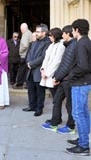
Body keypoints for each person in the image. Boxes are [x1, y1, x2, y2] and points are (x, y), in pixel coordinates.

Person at [41, 25, 76, 134]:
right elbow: (47, 59)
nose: (62, 35)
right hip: (60, 78)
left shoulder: (67, 46)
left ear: (68, 34)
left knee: (69, 104)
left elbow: (60, 63)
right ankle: (55, 121)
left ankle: (70, 126)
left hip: (65, 79)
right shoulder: (67, 45)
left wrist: (54, 76)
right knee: (56, 100)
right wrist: (43, 69)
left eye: (63, 34)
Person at [65, 19, 91, 156]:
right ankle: (84, 138)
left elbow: (83, 66)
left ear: (77, 30)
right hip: (85, 83)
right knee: (84, 112)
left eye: (73, 30)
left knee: (78, 113)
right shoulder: (87, 42)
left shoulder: (81, 44)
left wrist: (70, 75)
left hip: (80, 83)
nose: (72, 32)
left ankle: (84, 145)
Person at [22, 24, 51, 117]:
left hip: (39, 70)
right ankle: (32, 106)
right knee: (30, 89)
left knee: (40, 91)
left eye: (38, 32)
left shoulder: (47, 43)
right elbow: (29, 53)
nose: (36, 33)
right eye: (36, 31)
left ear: (44, 32)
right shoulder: (34, 42)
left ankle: (39, 109)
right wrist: (28, 62)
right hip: (30, 69)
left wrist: (32, 64)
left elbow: (43, 57)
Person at [39, 28, 65, 96]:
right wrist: (42, 70)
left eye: (51, 35)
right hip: (46, 73)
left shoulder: (61, 45)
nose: (49, 37)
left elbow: (57, 61)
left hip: (54, 74)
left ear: (55, 36)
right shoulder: (51, 45)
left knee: (56, 96)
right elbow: (46, 59)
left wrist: (47, 74)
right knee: (54, 95)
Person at [13, 23, 33, 89]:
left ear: (22, 29)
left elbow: (25, 45)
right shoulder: (30, 33)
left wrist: (20, 51)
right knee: (27, 70)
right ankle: (26, 83)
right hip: (29, 55)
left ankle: (19, 84)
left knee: (21, 70)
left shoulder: (25, 35)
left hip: (24, 55)